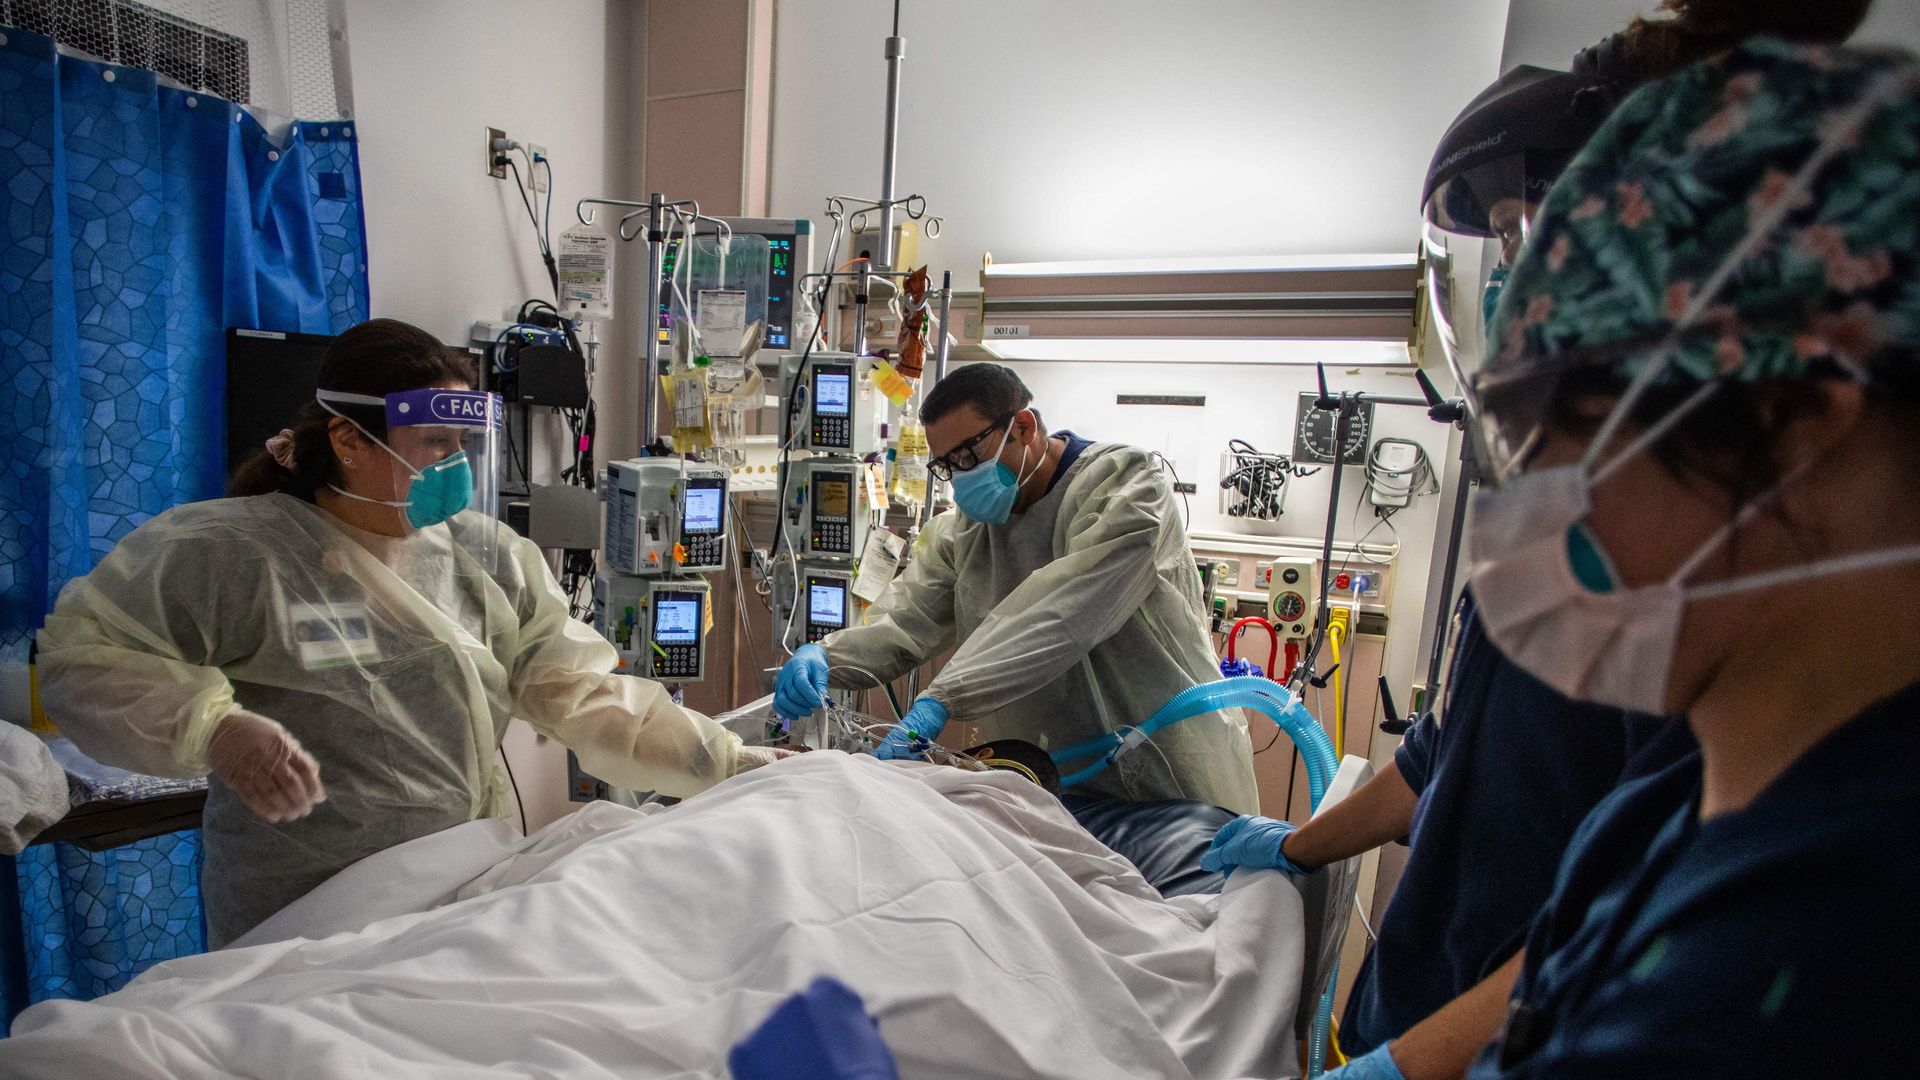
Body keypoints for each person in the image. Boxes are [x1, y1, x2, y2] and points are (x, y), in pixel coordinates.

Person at [1203, 4, 1873, 1078]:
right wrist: (1285, 849)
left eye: (1547, 235)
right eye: (1507, 243)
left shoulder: (1812, 862)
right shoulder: (1571, 574)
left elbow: (1623, 951)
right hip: (1422, 997)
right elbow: (1448, 763)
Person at [1458, 40, 1920, 1076]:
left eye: (1562, 451)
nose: (1528, 523)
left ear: (1789, 422)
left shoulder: (1818, 969)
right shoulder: (1683, 805)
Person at [37, 318, 785, 946]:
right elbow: (82, 660)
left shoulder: (486, 557)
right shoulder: (231, 555)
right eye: (431, 444)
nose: (452, 467)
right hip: (304, 912)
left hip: (457, 890)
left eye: (461, 447)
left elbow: (584, 696)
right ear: (349, 440)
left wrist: (725, 761)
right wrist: (214, 729)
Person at [772, 363, 1259, 815]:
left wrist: (942, 699)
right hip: (1041, 779)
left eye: (969, 454)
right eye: (947, 464)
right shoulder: (964, 534)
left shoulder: (1125, 490)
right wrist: (827, 657)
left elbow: (1063, 612)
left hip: (1165, 769)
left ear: (1023, 427)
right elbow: (906, 620)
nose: (961, 475)